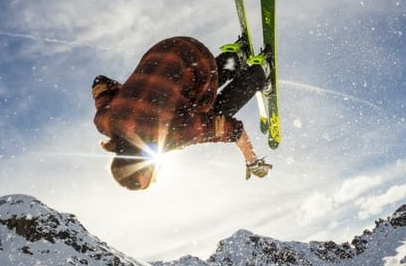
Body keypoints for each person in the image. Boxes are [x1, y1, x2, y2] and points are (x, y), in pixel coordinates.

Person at [92, 36, 273, 190]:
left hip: (200, 60)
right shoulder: (104, 121)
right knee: (184, 96)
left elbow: (232, 129)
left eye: (151, 175)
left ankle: (260, 72)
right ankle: (235, 58)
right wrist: (139, 96)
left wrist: (252, 161)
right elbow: (100, 82)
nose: (156, 176)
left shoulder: (170, 135)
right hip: (167, 48)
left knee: (214, 112)